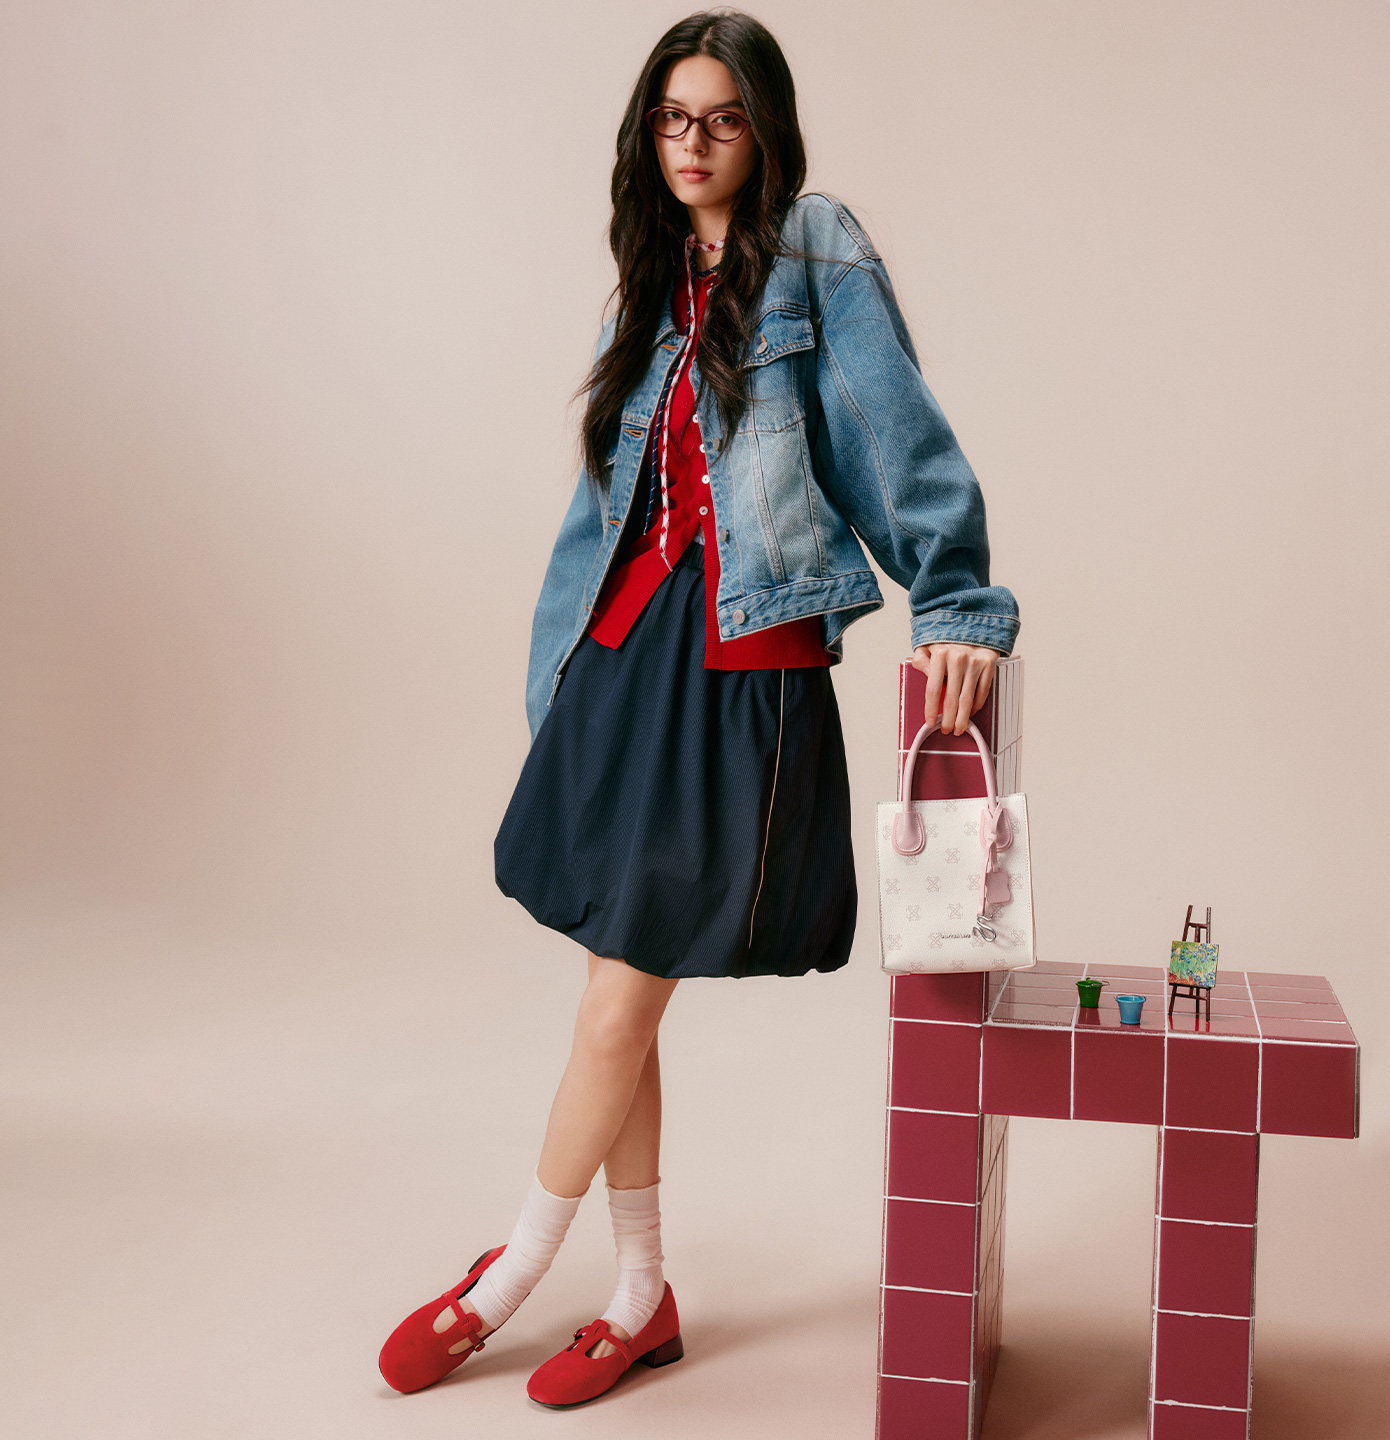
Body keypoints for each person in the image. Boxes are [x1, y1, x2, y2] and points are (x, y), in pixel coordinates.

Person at [377, 7, 1020, 1410]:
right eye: (674, 118)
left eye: (723, 118)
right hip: (623, 663)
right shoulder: (651, 280)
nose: (695, 142)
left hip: (740, 670)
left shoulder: (815, 248)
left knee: (621, 997)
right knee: (619, 988)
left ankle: (507, 1279)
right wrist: (560, 678)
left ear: (764, 131)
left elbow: (893, 429)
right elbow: (600, 509)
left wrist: (957, 601)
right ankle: (638, 1294)